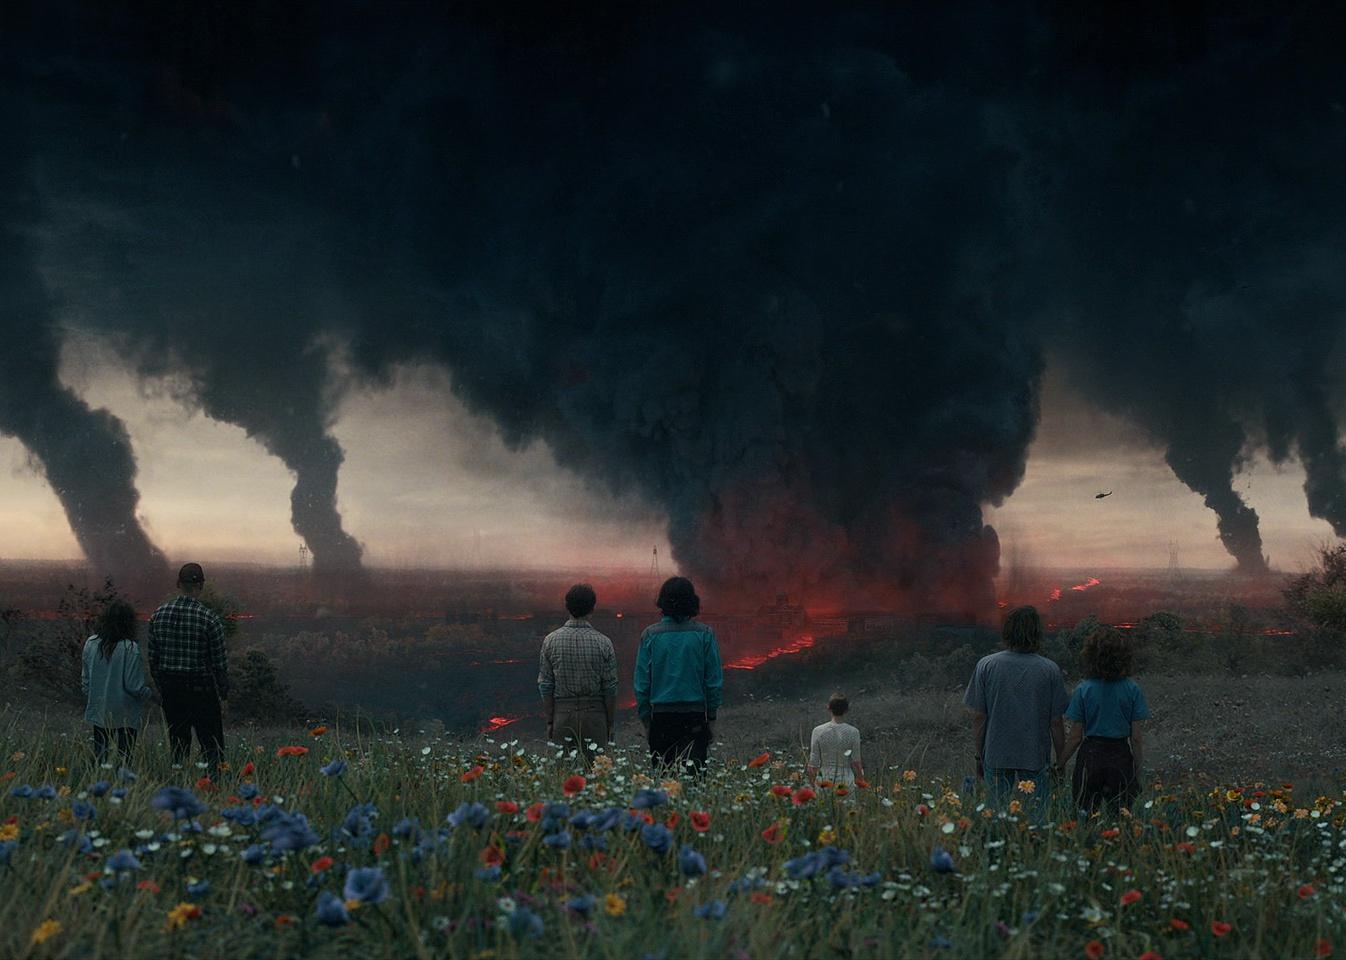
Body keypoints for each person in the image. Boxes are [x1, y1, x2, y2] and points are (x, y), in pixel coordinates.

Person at [964, 605, 1069, 816]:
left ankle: (996, 847)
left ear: (1007, 631)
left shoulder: (986, 665)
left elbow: (979, 716)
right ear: (1037, 632)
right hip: (1034, 755)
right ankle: (1035, 846)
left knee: (995, 815)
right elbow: (1056, 722)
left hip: (996, 754)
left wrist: (978, 756)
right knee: (1038, 817)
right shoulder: (1049, 669)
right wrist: (1061, 761)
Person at [1056, 626, 1150, 812]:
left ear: (1091, 656)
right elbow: (1136, 738)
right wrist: (1138, 771)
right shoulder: (1132, 689)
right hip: (1121, 756)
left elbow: (1075, 737)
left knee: (1085, 815)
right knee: (1121, 816)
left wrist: (1059, 764)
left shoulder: (1084, 689)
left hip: (1091, 756)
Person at [634, 576, 723, 773]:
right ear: (692, 602)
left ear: (663, 602)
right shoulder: (705, 634)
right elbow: (713, 682)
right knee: (695, 782)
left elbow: (642, 685)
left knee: (664, 783)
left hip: (661, 719)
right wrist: (712, 719)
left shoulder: (650, 635)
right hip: (695, 718)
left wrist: (647, 721)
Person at [148, 563, 230, 767]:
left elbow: (153, 660)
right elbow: (220, 663)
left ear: (178, 583)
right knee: (212, 745)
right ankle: (213, 787)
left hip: (171, 689)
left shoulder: (158, 615)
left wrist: (161, 688)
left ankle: (177, 784)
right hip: (201, 690)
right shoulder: (209, 619)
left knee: (178, 743)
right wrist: (224, 696)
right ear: (201, 585)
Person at [537, 583, 618, 765]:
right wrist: (610, 722)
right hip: (595, 714)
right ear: (592, 608)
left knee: (563, 775)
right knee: (598, 774)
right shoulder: (604, 642)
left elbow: (546, 685)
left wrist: (551, 721)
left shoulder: (550, 641)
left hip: (563, 714)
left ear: (567, 606)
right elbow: (610, 687)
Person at [82, 600, 156, 764]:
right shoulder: (130, 647)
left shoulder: (91, 643)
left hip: (100, 709)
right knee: (125, 759)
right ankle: (123, 786)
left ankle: (98, 785)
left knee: (100, 756)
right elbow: (134, 685)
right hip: (126, 712)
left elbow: (86, 681)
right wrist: (152, 695)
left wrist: (95, 695)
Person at [807, 692, 864, 790]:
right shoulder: (853, 732)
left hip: (824, 779)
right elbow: (856, 762)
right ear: (846, 710)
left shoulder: (818, 731)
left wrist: (811, 784)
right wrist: (861, 780)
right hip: (846, 780)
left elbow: (813, 762)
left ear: (828, 708)